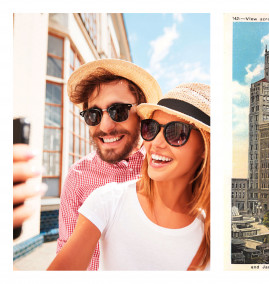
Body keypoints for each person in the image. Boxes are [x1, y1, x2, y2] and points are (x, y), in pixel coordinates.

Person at [48, 83, 210, 270]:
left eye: (177, 133)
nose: (106, 126)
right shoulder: (99, 192)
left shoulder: (211, 228)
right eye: (93, 115)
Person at [57, 59, 162, 270]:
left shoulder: (164, 168)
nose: (105, 126)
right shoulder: (77, 176)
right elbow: (66, 249)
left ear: (141, 115)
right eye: (93, 115)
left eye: (118, 111)